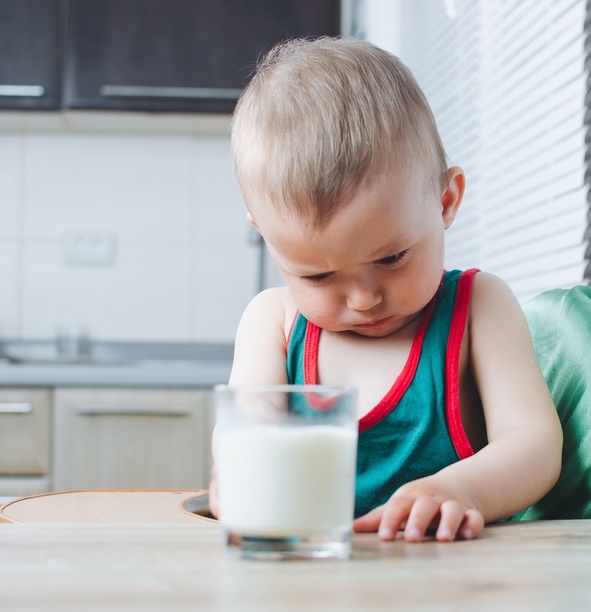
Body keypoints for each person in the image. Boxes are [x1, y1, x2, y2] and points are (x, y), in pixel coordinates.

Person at [210, 36, 563, 543]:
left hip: (453, 576)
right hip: (307, 577)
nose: (364, 299)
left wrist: (461, 489)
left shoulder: (479, 307)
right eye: (318, 276)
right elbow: (246, 436)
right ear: (266, 236)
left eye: (392, 258)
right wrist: (237, 475)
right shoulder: (274, 322)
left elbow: (534, 443)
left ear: (445, 200)